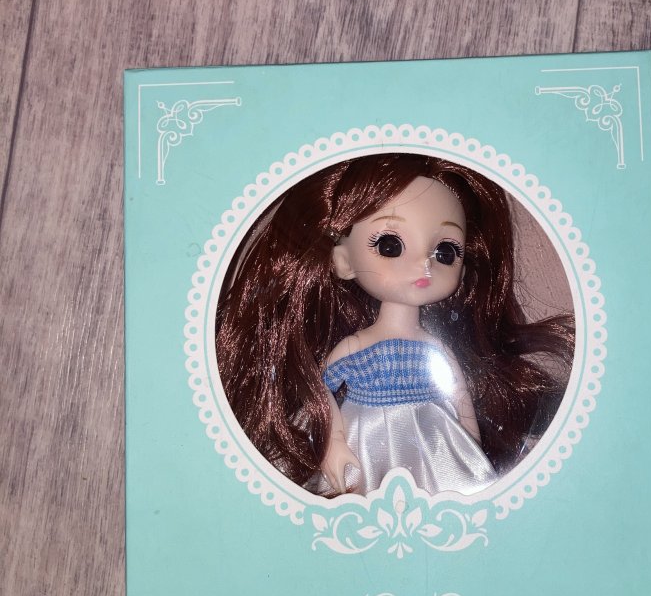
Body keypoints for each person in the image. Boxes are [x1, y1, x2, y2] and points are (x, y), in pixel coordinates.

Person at [216, 153, 573, 496]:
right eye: (390, 245)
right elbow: (320, 390)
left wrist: (472, 448)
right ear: (344, 261)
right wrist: (333, 443)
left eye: (445, 252)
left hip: (434, 442)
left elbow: (460, 399)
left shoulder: (435, 349)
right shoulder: (356, 346)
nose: (424, 265)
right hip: (366, 438)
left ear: (462, 271)